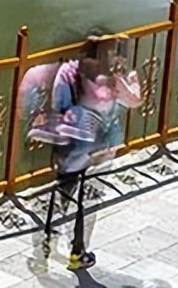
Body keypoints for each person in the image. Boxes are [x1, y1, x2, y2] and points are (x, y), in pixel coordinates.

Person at [34, 36, 141, 271]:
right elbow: (134, 101)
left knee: (64, 190)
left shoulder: (68, 70)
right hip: (102, 146)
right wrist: (131, 76)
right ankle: (77, 252)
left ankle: (47, 243)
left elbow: (58, 102)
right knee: (90, 198)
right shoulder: (114, 79)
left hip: (71, 141)